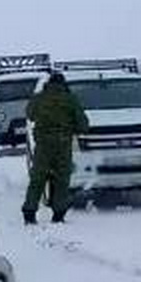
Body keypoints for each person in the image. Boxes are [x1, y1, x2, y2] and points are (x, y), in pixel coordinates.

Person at [22, 70, 89, 224]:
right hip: (63, 143)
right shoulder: (71, 99)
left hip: (43, 144)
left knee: (37, 178)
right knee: (62, 179)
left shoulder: (39, 98)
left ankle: (29, 212)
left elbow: (30, 114)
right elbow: (83, 125)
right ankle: (58, 214)